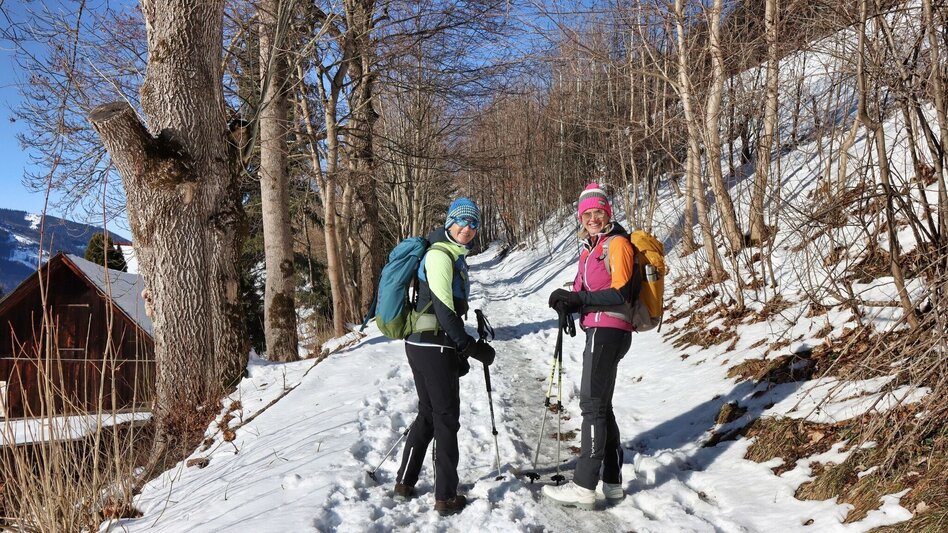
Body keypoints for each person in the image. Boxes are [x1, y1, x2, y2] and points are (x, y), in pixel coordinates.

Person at [392, 197, 496, 516]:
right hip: (433, 344)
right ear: (449, 222)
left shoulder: (450, 254)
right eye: (462, 221)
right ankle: (446, 497)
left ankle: (405, 483)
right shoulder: (439, 256)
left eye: (473, 224)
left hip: (424, 344)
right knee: (446, 419)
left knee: (428, 413)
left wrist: (459, 346)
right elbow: (444, 311)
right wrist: (470, 347)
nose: (467, 228)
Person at [543, 183, 642, 510]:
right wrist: (568, 302)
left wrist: (579, 298)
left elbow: (621, 293)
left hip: (609, 328)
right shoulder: (590, 247)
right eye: (588, 214)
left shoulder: (617, 244)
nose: (593, 218)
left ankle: (584, 485)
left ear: (607, 213)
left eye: (599, 212)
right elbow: (586, 293)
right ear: (581, 217)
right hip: (598, 328)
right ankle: (612, 482)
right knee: (602, 405)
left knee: (591, 405)